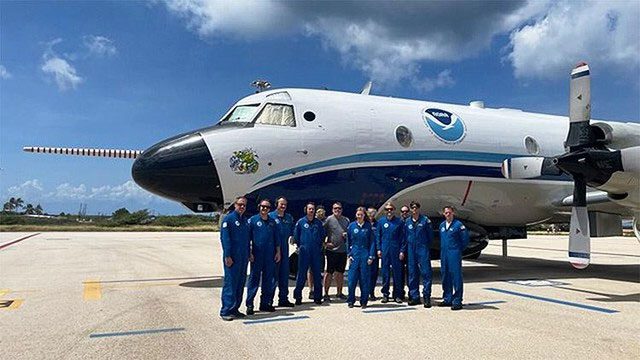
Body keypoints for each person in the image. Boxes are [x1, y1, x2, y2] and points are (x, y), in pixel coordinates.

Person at [245, 199, 281, 315]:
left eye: (267, 207)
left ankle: (265, 303)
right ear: (259, 207)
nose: (265, 209)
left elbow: (277, 239)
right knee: (254, 280)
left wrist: (278, 252)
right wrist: (249, 253)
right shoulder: (253, 220)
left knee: (268, 280)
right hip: (257, 255)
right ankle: (250, 304)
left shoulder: (272, 222)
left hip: (269, 255)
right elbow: (248, 239)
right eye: (263, 207)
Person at [219, 196, 251, 321]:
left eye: (244, 205)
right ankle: (225, 310)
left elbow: (247, 240)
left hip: (243, 257)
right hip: (232, 257)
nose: (242, 207)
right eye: (240, 204)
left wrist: (249, 253)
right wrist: (227, 255)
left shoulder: (245, 221)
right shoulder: (229, 219)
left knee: (240, 284)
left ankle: (235, 308)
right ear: (235, 205)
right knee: (230, 284)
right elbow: (225, 239)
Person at [402, 201, 434, 308]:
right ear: (410, 210)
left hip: (422, 249)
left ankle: (426, 297)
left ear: (419, 209)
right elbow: (405, 237)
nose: (414, 210)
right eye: (412, 208)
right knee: (412, 273)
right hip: (411, 250)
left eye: (416, 207)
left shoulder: (425, 221)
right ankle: (414, 296)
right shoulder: (407, 222)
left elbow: (430, 237)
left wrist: (425, 246)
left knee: (426, 273)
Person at [293, 202, 326, 305]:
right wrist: (301, 246)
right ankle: (298, 296)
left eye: (313, 209)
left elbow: (322, 236)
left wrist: (319, 246)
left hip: (316, 252)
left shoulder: (318, 223)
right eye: (309, 209)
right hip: (304, 251)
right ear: (306, 210)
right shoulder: (301, 222)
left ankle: (317, 297)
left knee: (317, 275)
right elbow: (296, 236)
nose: (311, 211)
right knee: (301, 275)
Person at [439, 206, 470, 311]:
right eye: (446, 213)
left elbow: (465, 240)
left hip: (454, 253)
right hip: (444, 254)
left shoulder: (458, 225)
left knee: (456, 276)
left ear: (453, 213)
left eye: (449, 212)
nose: (448, 214)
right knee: (445, 275)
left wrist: (458, 249)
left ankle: (457, 300)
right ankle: (447, 298)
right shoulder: (442, 225)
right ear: (444, 214)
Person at [346, 207, 376, 309]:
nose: (359, 216)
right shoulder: (351, 226)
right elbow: (348, 241)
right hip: (354, 255)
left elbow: (372, 242)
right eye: (358, 214)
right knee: (351, 280)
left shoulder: (368, 227)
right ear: (356, 215)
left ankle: (364, 301)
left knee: (364, 280)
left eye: (361, 215)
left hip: (365, 255)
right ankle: (351, 300)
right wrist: (349, 254)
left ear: (364, 215)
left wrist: (371, 256)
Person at [269, 197, 296, 307]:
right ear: (276, 204)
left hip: (285, 249)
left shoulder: (288, 218)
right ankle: (268, 300)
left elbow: (293, 231)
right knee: (272, 277)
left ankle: (283, 299)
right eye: (281, 204)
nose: (283, 206)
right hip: (273, 250)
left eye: (285, 204)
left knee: (284, 276)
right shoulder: (270, 216)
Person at [376, 202, 405, 303]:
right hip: (385, 250)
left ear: (394, 210)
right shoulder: (381, 222)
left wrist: (402, 251)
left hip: (396, 250)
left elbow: (403, 238)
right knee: (385, 273)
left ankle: (397, 295)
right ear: (385, 211)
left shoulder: (399, 222)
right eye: (387, 209)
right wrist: (379, 249)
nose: (389, 211)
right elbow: (378, 236)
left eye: (391, 209)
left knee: (397, 273)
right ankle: (385, 294)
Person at [322, 202, 349, 301]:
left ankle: (339, 292)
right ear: (332, 209)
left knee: (340, 273)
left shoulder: (346, 220)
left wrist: (347, 236)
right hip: (331, 251)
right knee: (329, 272)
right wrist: (324, 244)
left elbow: (349, 234)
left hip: (342, 250)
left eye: (339, 208)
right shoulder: (329, 219)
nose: (337, 210)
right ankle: (326, 293)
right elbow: (320, 231)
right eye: (335, 208)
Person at [306, 206, 327, 299]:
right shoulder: (310, 221)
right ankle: (311, 290)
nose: (320, 213)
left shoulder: (325, 223)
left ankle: (318, 290)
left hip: (321, 250)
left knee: (320, 271)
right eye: (318, 211)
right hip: (311, 249)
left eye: (322, 212)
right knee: (310, 270)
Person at [366, 207, 379, 300]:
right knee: (365, 273)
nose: (371, 215)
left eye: (373, 213)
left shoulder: (378, 224)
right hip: (365, 252)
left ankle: (372, 292)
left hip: (375, 252)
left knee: (374, 273)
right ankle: (365, 292)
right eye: (370, 213)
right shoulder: (364, 224)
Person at [399, 205, 410, 298]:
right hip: (400, 251)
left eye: (406, 211)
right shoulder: (398, 223)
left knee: (411, 273)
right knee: (400, 273)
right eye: (403, 211)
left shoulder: (411, 222)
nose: (404, 213)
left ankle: (412, 293)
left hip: (410, 250)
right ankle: (400, 293)